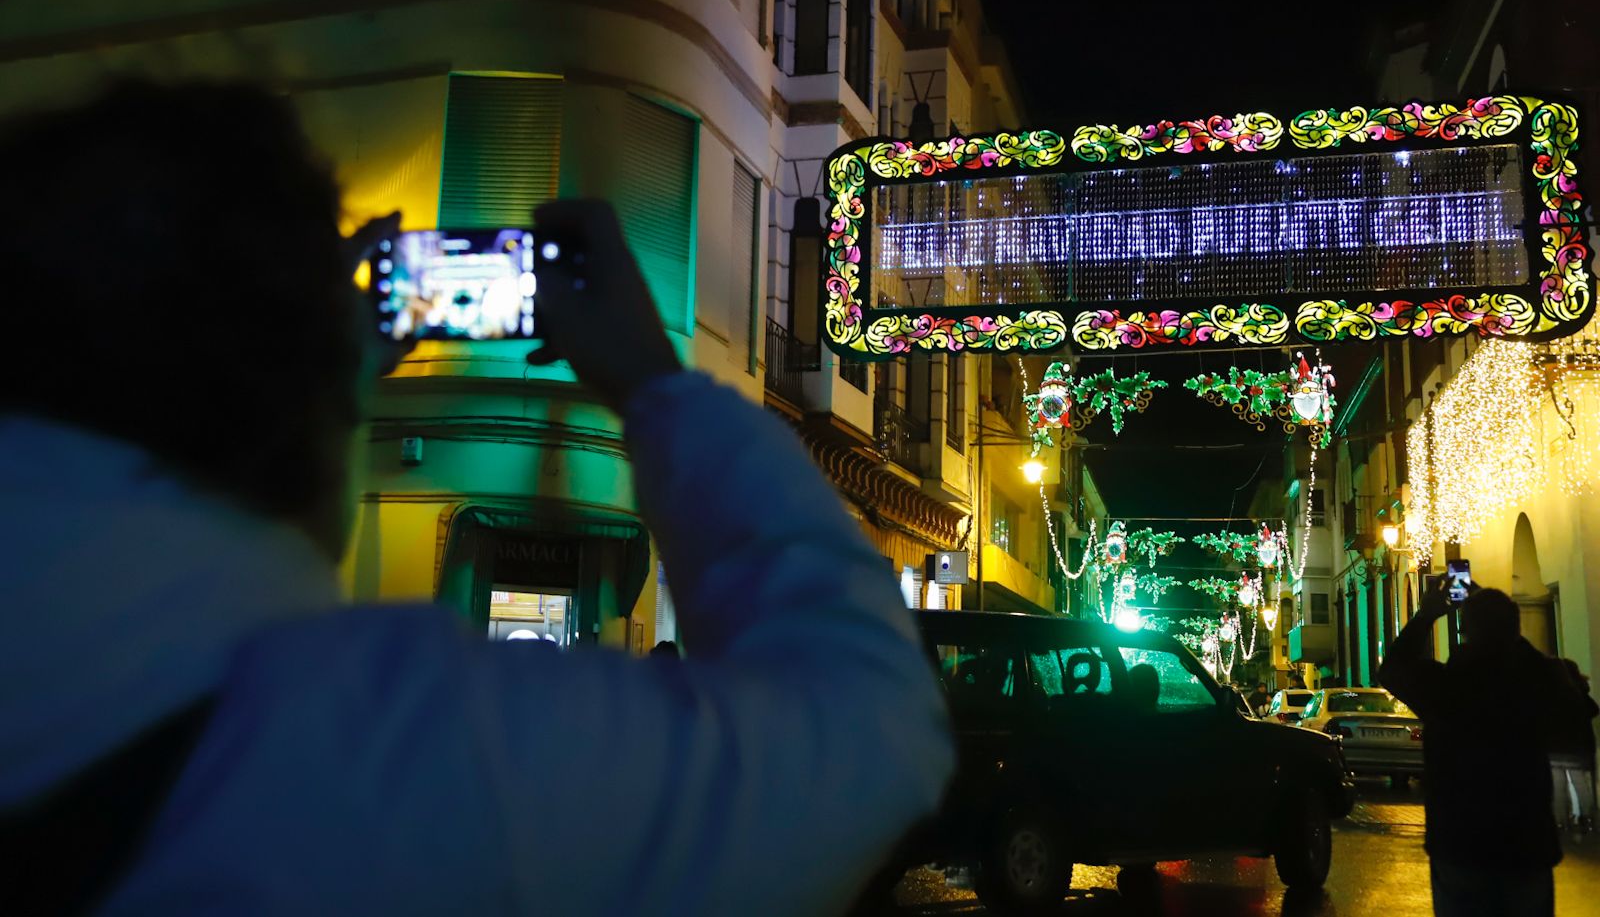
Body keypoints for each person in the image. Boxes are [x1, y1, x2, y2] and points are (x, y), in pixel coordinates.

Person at [0, 81, 954, 915]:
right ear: (310, 376)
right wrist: (652, 382)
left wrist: (331, 378)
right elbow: (872, 729)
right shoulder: (407, 757)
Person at [1378, 584, 1597, 917]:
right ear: (1514, 630)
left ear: (1465, 630)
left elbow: (1392, 668)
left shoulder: (1446, 687)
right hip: (1526, 841)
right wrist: (1512, 633)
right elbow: (1571, 706)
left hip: (1460, 842)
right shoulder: (1535, 680)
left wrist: (1426, 616)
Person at [1551, 658, 1599, 838]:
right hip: (1576, 749)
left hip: (1553, 750)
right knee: (1581, 784)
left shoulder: (1549, 695)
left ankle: (1561, 821)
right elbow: (1593, 710)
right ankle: (1588, 819)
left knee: (1558, 786)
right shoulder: (1578, 694)